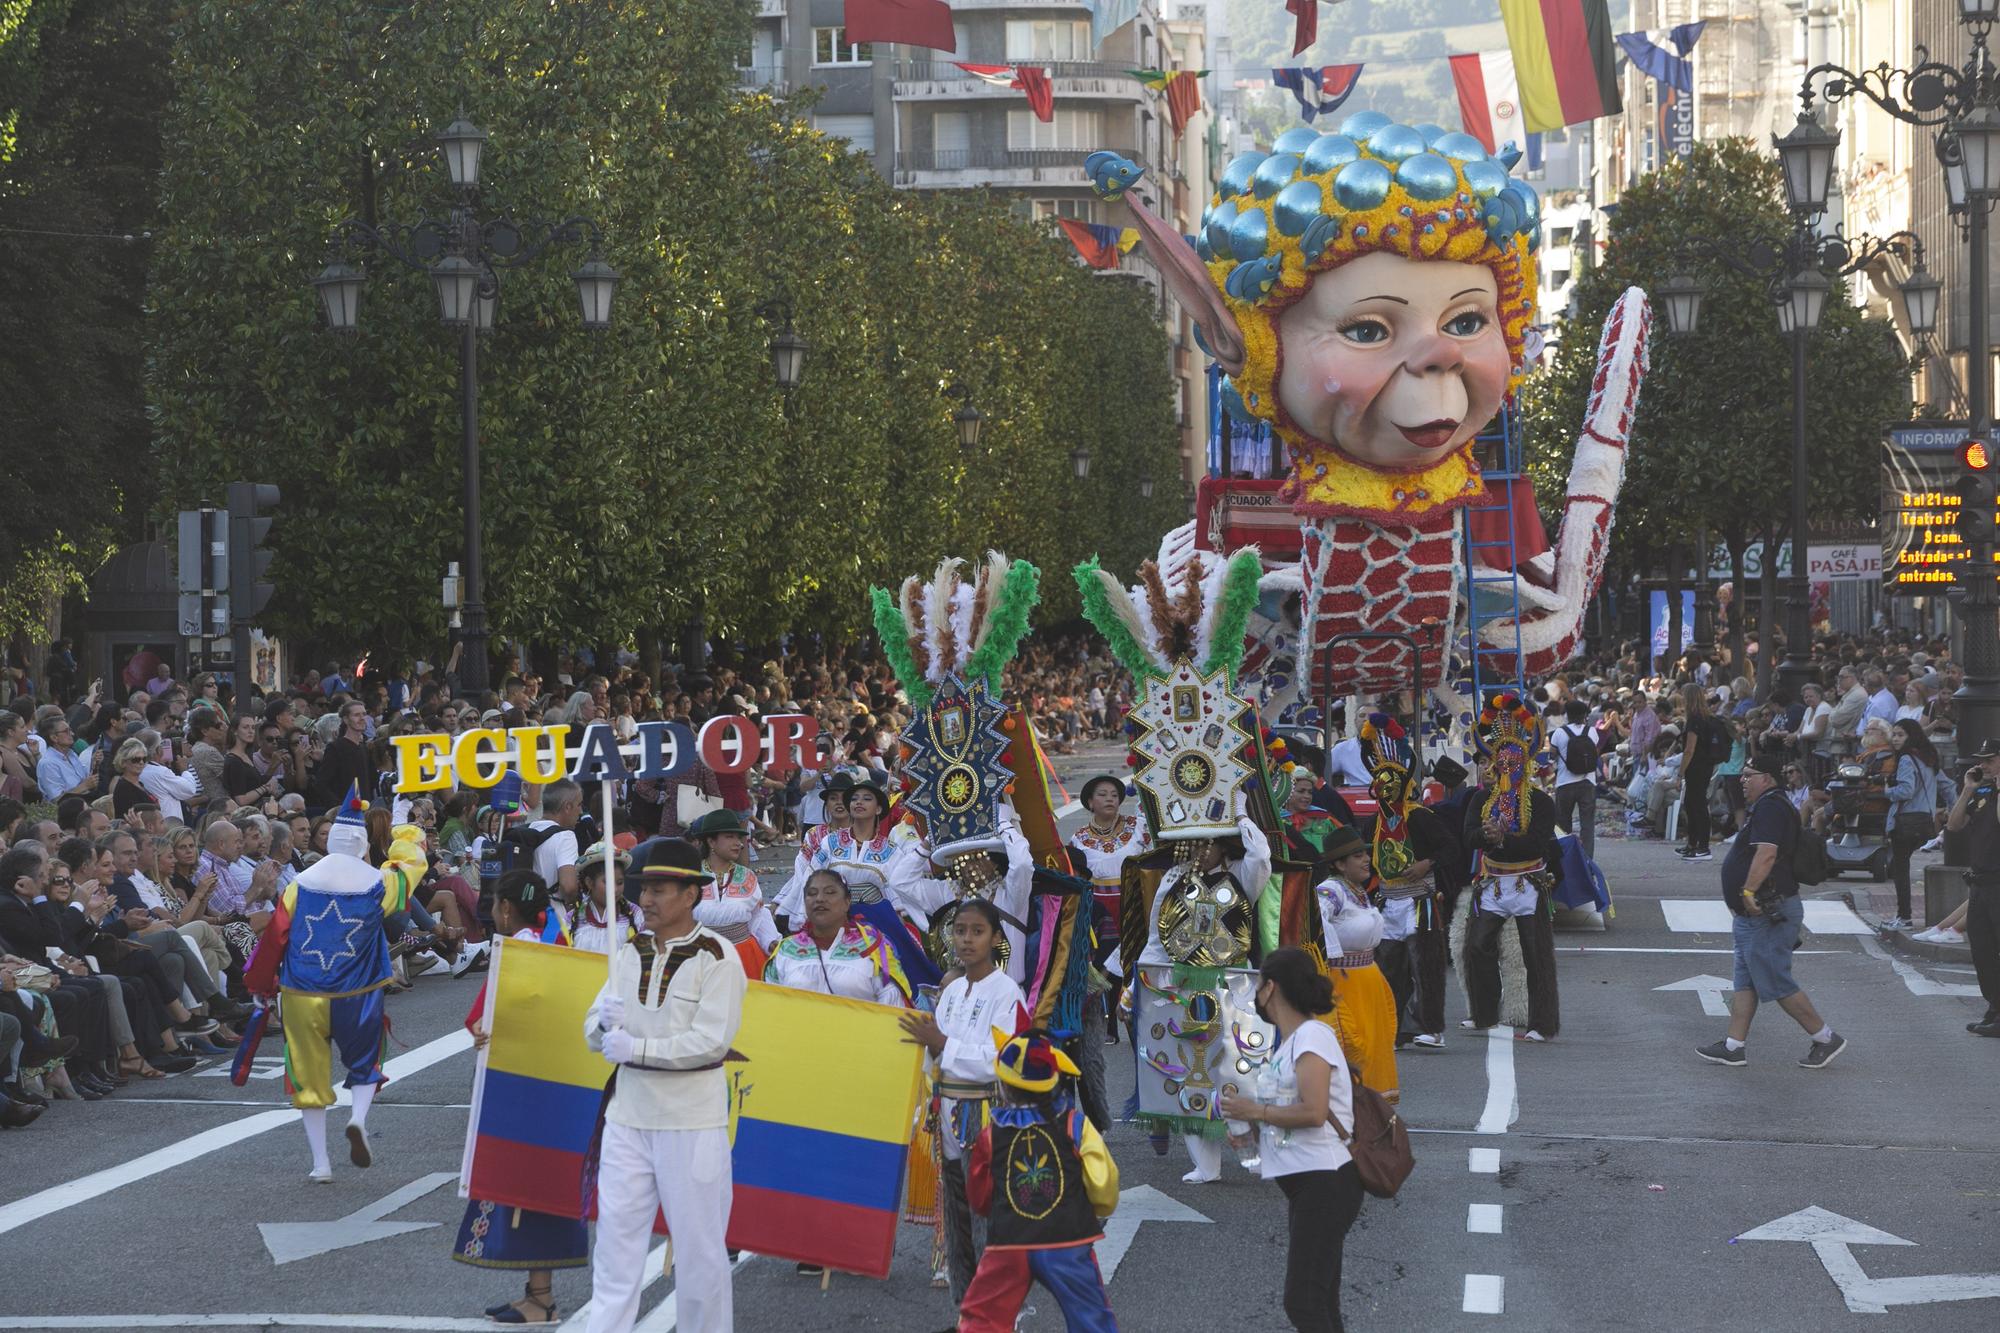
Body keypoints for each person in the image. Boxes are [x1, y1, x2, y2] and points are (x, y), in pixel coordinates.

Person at [582, 839, 747, 1333]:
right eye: (644, 889)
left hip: (690, 1123)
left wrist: (638, 1050)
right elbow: (593, 1029)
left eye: (658, 889)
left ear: (691, 894)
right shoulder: (628, 950)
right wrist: (601, 1025)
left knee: (699, 1256)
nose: (646, 899)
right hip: (627, 1120)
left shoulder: (719, 957)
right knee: (614, 1252)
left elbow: (711, 1043)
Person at [243, 784, 415, 1180]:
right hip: (358, 993)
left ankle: (320, 1162)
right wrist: (403, 826)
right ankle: (357, 1118)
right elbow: (409, 873)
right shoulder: (378, 884)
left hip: (302, 993)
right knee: (365, 1064)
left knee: (307, 1077)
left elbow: (275, 938)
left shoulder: (298, 885)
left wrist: (260, 984)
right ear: (361, 844)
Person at [453, 870, 588, 1325]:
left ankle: (543, 1299)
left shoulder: (520, 952)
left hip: (527, 1095)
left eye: (493, 905)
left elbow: (481, 1021)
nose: (492, 914)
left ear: (506, 909)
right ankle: (536, 1293)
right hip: (556, 1087)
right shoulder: (558, 942)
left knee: (529, 1195)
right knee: (536, 1195)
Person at [1218, 947, 1362, 1333]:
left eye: (1260, 985)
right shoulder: (1293, 1041)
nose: (1257, 997)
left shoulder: (1313, 1036)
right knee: (1319, 1300)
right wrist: (1253, 1134)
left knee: (1304, 1302)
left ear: (1272, 988)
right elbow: (1291, 1113)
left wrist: (1257, 1113)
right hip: (1310, 1185)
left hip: (1325, 1182)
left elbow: (1314, 1112)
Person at [897, 899, 1027, 1309]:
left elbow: (1004, 1059)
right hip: (946, 1111)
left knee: (987, 1213)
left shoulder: (1008, 992)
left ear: (994, 939)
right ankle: (969, 1307)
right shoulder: (951, 989)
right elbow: (934, 1053)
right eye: (960, 931)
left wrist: (942, 1044)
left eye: (977, 931)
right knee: (955, 1213)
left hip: (984, 1112)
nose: (967, 940)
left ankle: (1003, 1311)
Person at [957, 1031, 1120, 1333]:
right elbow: (1103, 1187)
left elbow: (980, 1198)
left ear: (1004, 1087)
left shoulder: (991, 1135)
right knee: (1090, 1316)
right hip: (1068, 1238)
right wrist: (1094, 1208)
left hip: (1009, 1240)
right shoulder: (1074, 1124)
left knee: (983, 1319)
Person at [1696, 752, 1848, 1070]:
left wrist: (1748, 890)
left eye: (1749, 774)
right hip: (1756, 914)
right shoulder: (1769, 806)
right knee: (1746, 981)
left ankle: (1824, 1037)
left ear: (1767, 778)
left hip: (1767, 909)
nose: (1743, 779)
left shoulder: (1771, 807)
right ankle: (1734, 1046)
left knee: (1776, 981)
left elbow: (1766, 854)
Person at [1459, 695, 1561, 1042]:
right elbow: (1468, 837)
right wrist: (1487, 837)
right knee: (1476, 947)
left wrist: (1502, 839)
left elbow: (1538, 843)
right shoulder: (1479, 799)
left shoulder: (1542, 802)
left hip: (1528, 882)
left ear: (1526, 763)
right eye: (1500, 761)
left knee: (1537, 956)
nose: (1506, 767)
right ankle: (1484, 1014)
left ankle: (1541, 1024)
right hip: (1492, 883)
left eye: (1513, 761)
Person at [1309, 825, 1397, 1102]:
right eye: (1357, 856)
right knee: (1352, 1044)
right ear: (1339, 864)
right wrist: (1332, 954)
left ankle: (1370, 1107)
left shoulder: (1356, 890)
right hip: (1343, 981)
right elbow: (1316, 919)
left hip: (1368, 979)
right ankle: (1350, 1107)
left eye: (1364, 854)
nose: (1365, 860)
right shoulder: (1330, 891)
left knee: (1375, 1045)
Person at [1065, 775, 1149, 1042]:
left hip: (1134, 905)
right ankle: (1108, 1027)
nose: (1110, 798)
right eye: (1102, 794)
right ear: (1090, 802)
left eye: (1114, 794)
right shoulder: (1078, 839)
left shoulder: (1138, 828)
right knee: (1103, 968)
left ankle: (1142, 1024)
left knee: (1135, 963)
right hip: (1098, 911)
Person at [762, 869, 909, 1005]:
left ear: (847, 902)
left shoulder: (873, 947)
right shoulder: (786, 950)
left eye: (830, 892)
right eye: (812, 893)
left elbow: (893, 1005)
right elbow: (772, 1005)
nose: (819, 899)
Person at [1943, 738, 2000, 1038]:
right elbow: (1953, 826)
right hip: (1979, 882)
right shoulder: (1982, 791)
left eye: (1990, 759)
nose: (1982, 764)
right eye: (1981, 759)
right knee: (1982, 951)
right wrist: (1967, 789)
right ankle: (1994, 1008)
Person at [686, 809, 778, 976]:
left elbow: (758, 915)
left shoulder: (747, 877)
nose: (739, 843)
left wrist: (770, 941)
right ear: (711, 842)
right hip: (700, 956)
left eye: (739, 837)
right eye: (730, 837)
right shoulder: (691, 876)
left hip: (743, 956)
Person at [1882, 720, 1941, 931]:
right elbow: (1946, 784)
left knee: (1900, 870)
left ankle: (1904, 916)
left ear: (1911, 736)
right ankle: (1903, 915)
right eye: (1894, 734)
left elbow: (1906, 791)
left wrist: (1887, 791)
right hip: (1924, 821)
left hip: (1905, 822)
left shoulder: (1907, 759)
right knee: (1902, 867)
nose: (1895, 739)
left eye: (1900, 735)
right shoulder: (1928, 758)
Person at [1677, 683, 1726, 860]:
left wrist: (1680, 773)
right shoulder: (1705, 717)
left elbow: (1690, 749)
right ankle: (1693, 843)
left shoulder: (1694, 719)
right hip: (1704, 765)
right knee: (1692, 804)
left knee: (1696, 805)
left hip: (1696, 766)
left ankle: (1702, 846)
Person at [1550, 699, 1599, 859]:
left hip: (1565, 783)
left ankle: (1565, 860)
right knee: (1587, 825)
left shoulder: (1559, 733)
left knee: (1563, 824)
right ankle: (1588, 861)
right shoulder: (1592, 732)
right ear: (1584, 715)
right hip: (1588, 782)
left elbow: (1552, 755)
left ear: (1567, 715)